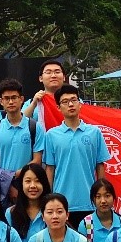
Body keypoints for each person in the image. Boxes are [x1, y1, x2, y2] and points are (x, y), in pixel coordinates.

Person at [42, 84, 109, 229]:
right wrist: (49, 198)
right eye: (65, 102)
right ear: (58, 107)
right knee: (64, 241)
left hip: (89, 202)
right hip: (61, 204)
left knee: (88, 239)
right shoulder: (51, 135)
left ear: (80, 104)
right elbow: (50, 169)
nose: (71, 104)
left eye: (74, 100)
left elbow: (100, 165)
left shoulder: (94, 133)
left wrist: (101, 194)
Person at [0, 78, 44, 181]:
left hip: (28, 183)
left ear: (21, 99)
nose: (11, 102)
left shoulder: (35, 127)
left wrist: (15, 175)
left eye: (14, 97)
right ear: (1, 101)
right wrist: (6, 180)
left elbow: (37, 160)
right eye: (7, 98)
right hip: (1, 184)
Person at [24, 193, 94, 242]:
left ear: (67, 215)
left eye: (59, 212)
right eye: (50, 212)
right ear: (43, 217)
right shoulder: (35, 241)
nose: (55, 216)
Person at [77, 178, 121, 242]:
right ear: (93, 200)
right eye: (98, 197)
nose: (103, 201)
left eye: (107, 196)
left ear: (114, 197)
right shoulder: (86, 224)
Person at [6, 163, 50, 242]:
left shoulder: (52, 213)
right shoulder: (11, 212)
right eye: (28, 181)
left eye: (37, 181)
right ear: (21, 184)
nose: (32, 186)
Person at [24, 59, 69, 123]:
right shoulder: (31, 102)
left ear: (64, 77)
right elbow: (20, 121)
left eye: (57, 72)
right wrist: (33, 104)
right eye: (48, 72)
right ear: (41, 78)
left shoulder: (75, 100)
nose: (53, 76)